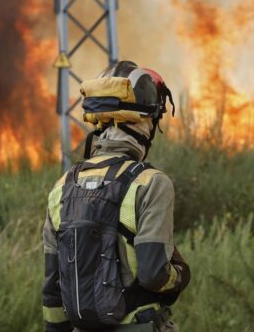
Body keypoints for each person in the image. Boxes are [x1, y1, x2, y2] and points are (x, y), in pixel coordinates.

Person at [42, 61, 191, 332]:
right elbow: (153, 274)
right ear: (143, 121)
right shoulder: (151, 183)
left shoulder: (62, 187)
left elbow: (53, 288)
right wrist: (180, 276)